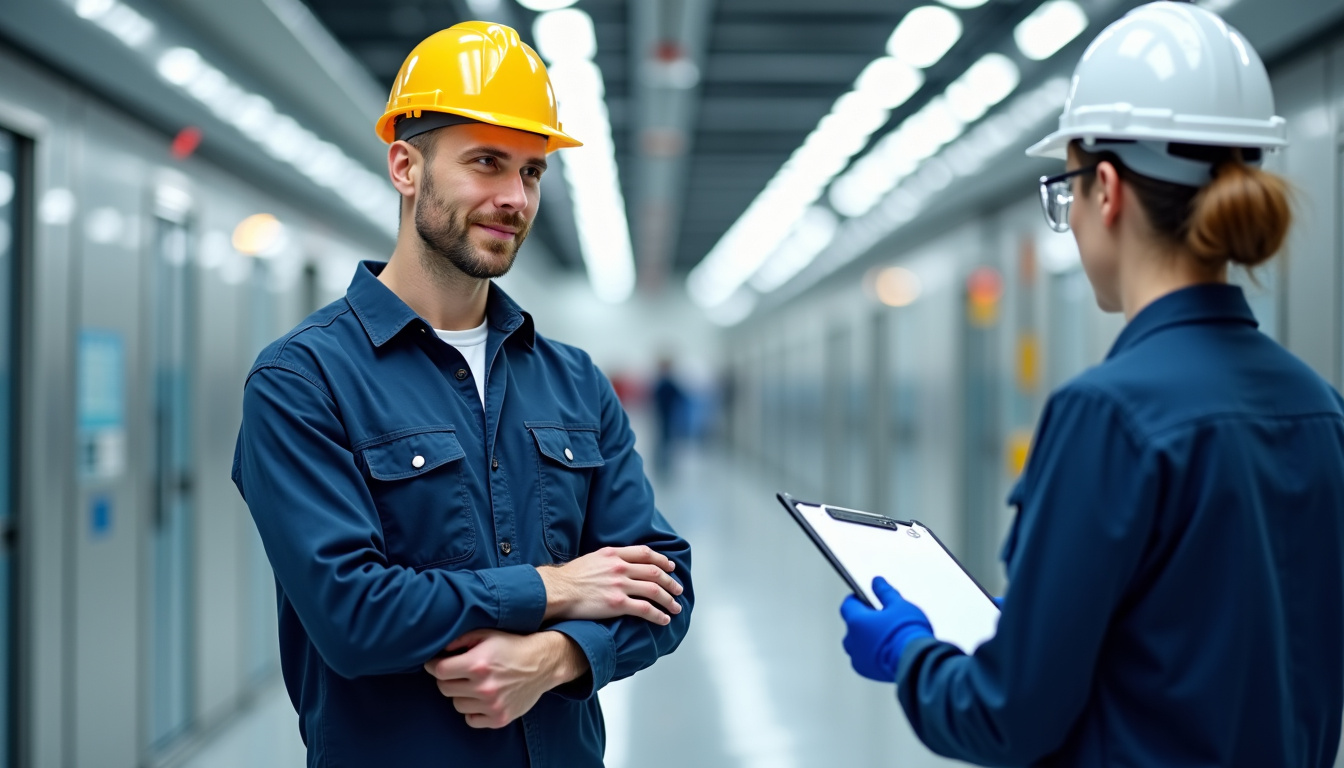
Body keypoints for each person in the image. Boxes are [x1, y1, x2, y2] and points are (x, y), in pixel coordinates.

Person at [839, 3, 1344, 766]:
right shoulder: (1321, 408)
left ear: (1105, 189)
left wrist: (909, 650)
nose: (1070, 217)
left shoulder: (1108, 414)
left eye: (1067, 189)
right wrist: (1045, 623)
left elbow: (1002, 719)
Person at [232, 22, 693, 767]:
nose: (515, 198)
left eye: (532, 172)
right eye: (486, 163)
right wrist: (553, 587)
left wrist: (556, 658)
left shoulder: (574, 380)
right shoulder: (303, 380)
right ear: (405, 167)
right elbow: (352, 614)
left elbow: (666, 586)